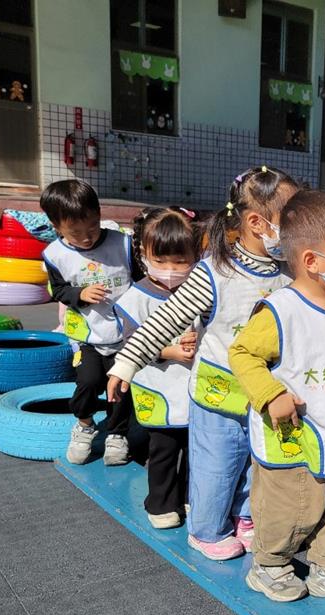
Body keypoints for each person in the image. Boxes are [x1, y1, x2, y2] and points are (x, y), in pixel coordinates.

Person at [107, 166, 299, 561]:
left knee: (256, 461)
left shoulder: (289, 271)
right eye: (291, 219)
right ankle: (207, 529)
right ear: (256, 223)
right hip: (219, 394)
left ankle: (244, 516)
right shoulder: (214, 272)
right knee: (217, 466)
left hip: (265, 393)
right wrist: (126, 362)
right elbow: (165, 319)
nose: (298, 228)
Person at [229, 189, 325, 605]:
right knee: (289, 506)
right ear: (311, 260)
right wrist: (270, 393)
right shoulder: (281, 310)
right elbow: (243, 354)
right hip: (293, 433)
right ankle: (270, 564)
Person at [114, 208, 200, 529]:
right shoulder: (136, 298)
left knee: (195, 449)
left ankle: (191, 497)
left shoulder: (200, 292)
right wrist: (169, 351)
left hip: (195, 386)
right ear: (143, 255)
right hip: (159, 386)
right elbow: (130, 342)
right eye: (160, 261)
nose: (170, 270)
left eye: (180, 261)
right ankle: (161, 503)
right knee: (163, 448)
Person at [41, 179, 134, 466]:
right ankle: (84, 424)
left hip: (126, 335)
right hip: (87, 336)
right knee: (89, 381)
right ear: (56, 226)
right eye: (75, 232)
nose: (86, 237)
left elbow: (142, 280)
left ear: (99, 214)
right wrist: (79, 294)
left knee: (121, 385)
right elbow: (58, 290)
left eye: (92, 227)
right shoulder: (55, 255)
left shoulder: (123, 244)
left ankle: (117, 434)